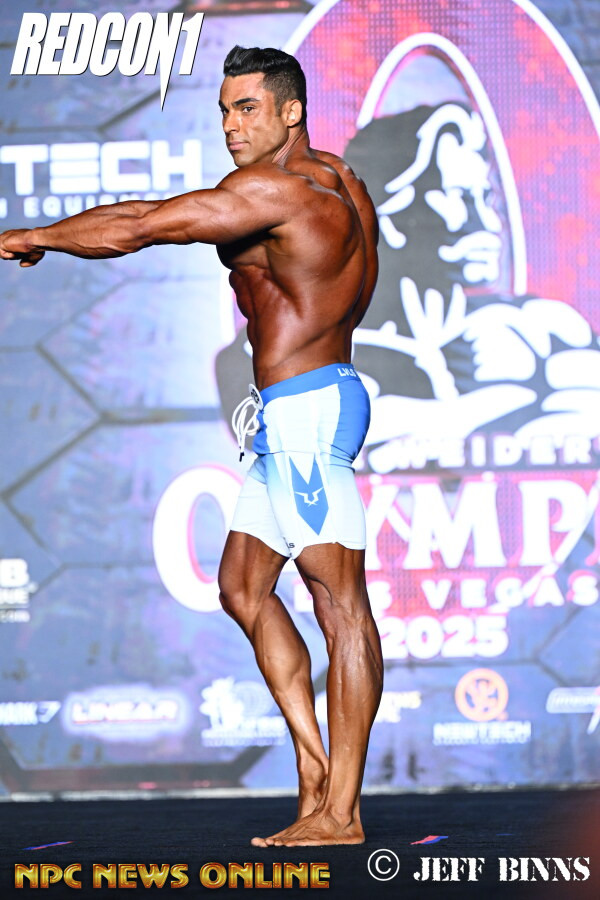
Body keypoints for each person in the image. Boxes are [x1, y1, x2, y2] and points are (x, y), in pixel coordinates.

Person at [0, 46, 382, 847]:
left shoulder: (275, 192)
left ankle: (342, 813)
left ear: (290, 111)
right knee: (243, 587)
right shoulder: (343, 180)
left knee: (340, 606)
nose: (231, 126)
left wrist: (34, 235)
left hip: (307, 415)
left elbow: (141, 226)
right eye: (224, 110)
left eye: (248, 108)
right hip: (297, 409)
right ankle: (315, 767)